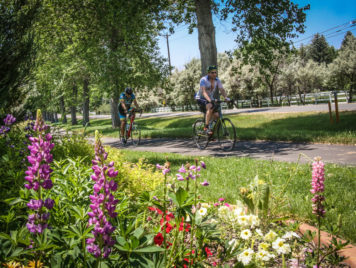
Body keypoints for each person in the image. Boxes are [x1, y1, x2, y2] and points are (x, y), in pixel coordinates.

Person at [195, 65, 230, 135]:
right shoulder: (203, 80)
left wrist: (226, 97)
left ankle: (210, 129)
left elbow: (222, 89)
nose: (214, 74)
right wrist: (210, 100)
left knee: (217, 115)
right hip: (201, 98)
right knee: (210, 107)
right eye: (212, 73)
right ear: (208, 73)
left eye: (215, 72)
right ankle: (206, 128)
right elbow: (204, 92)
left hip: (210, 98)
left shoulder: (217, 80)